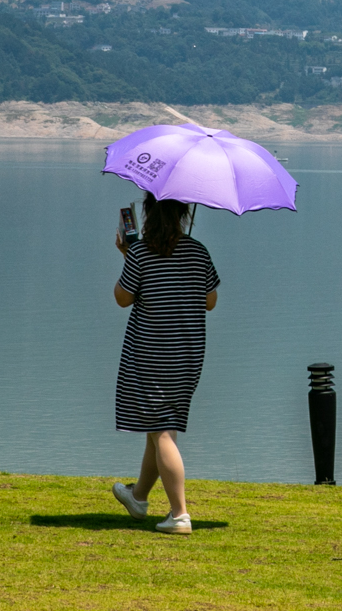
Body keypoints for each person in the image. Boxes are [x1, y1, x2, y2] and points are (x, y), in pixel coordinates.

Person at [108, 192, 219, 535]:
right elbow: (210, 301)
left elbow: (122, 298)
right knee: (159, 429)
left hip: (151, 354)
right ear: (184, 213)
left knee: (161, 432)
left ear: (148, 213)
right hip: (187, 356)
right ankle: (138, 496)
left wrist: (128, 254)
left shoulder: (141, 252)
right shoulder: (198, 251)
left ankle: (180, 514)